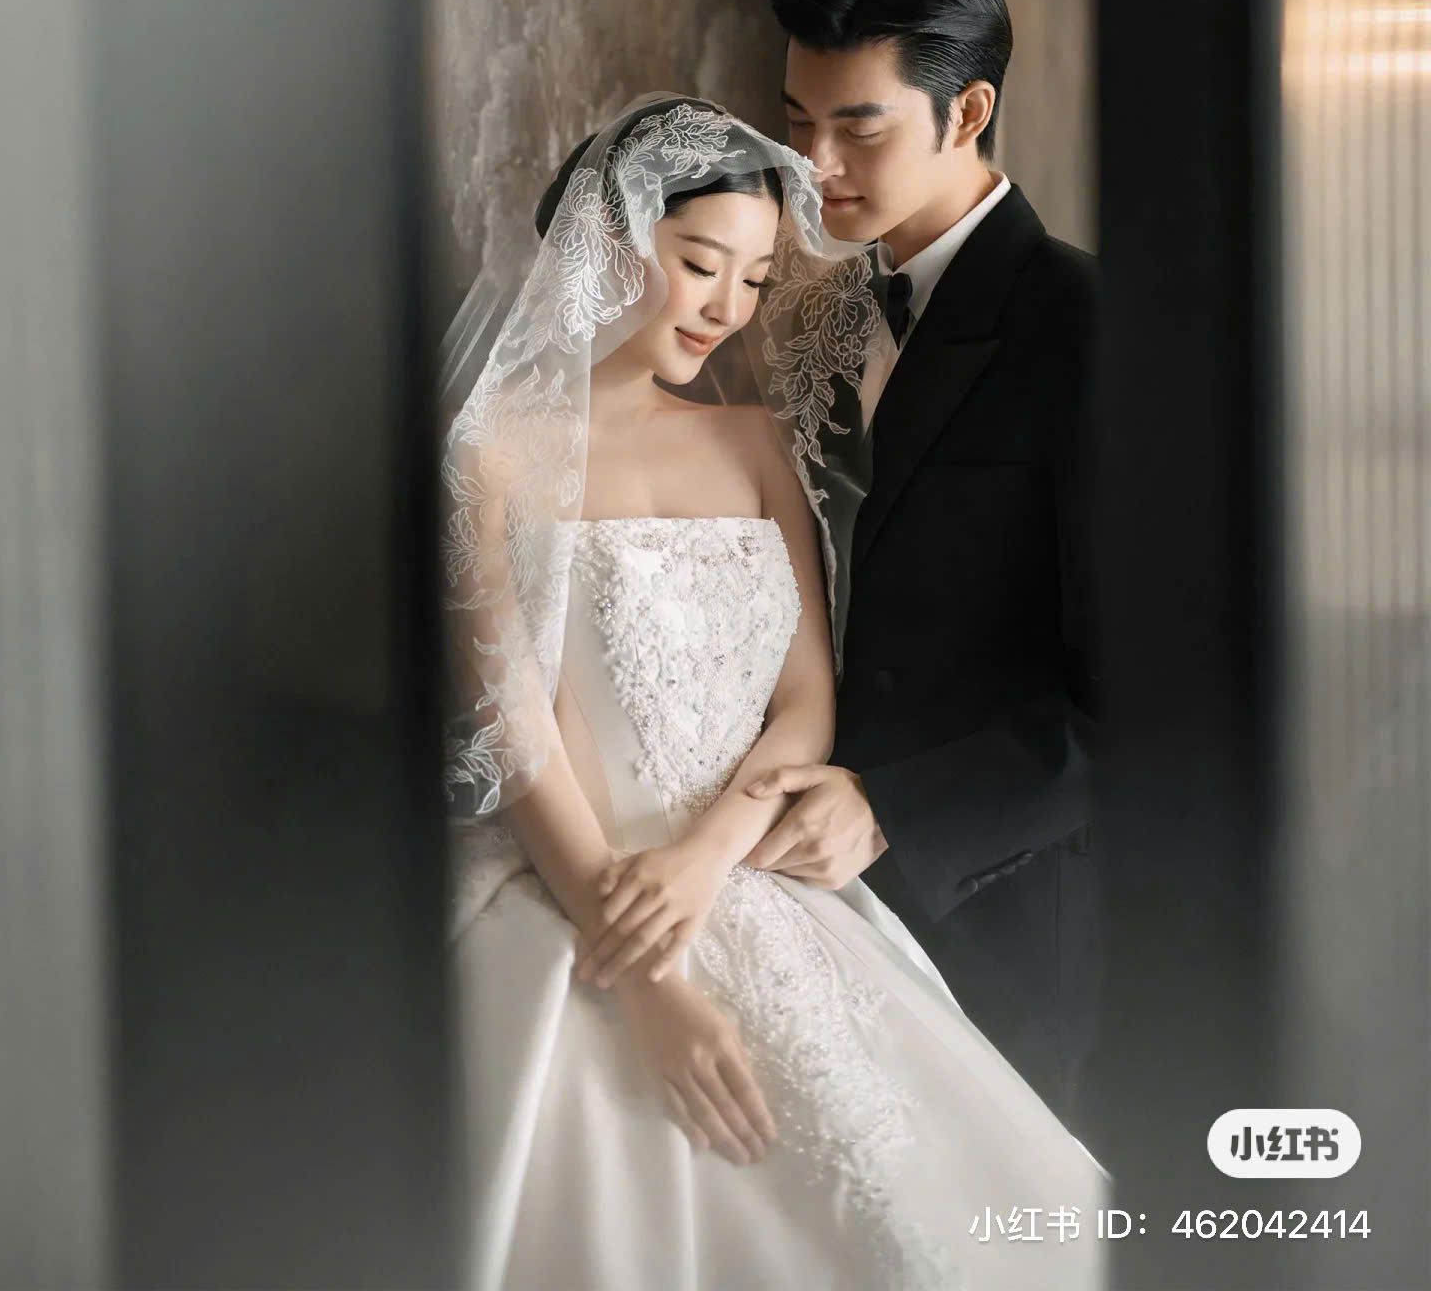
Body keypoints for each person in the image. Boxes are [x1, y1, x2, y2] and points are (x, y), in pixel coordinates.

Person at [441, 93, 1103, 1290]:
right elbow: (519, 725)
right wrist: (647, 975)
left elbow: (805, 700)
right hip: (572, 883)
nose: (727, 308)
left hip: (748, 873)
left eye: (753, 280)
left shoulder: (757, 442)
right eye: (702, 265)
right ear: (605, 241)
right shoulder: (489, 459)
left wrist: (708, 861)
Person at [742, 0, 1100, 1138]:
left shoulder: (1093, 327)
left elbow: (1162, 695)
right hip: (791, 903)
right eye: (797, 123)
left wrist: (894, 807)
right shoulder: (794, 308)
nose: (816, 165)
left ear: (969, 111)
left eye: (859, 127)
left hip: (996, 919)